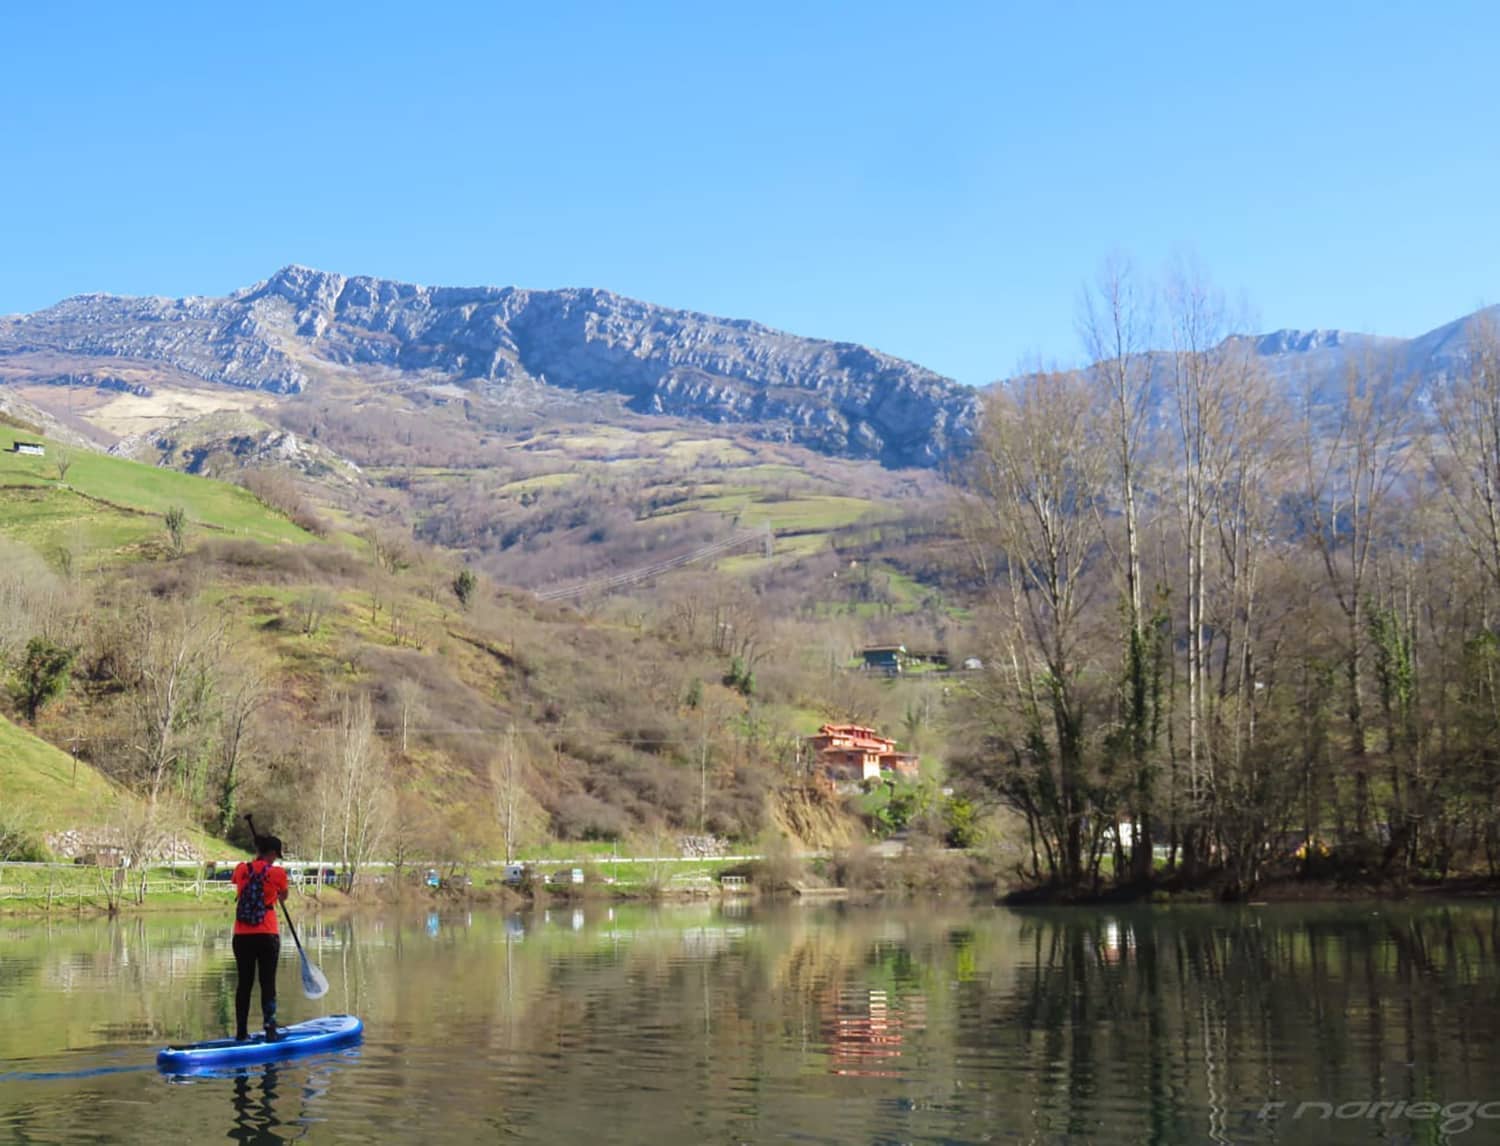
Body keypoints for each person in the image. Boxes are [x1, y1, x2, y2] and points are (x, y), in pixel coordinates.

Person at [231, 834, 290, 1042]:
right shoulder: (278, 873)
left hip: (242, 935)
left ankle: (241, 1032)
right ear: (272, 853)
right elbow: (283, 895)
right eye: (276, 855)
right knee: (268, 983)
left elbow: (236, 883)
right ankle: (270, 1030)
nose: (276, 859)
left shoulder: (240, 869)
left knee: (244, 984)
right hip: (267, 934)